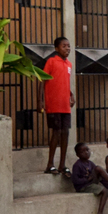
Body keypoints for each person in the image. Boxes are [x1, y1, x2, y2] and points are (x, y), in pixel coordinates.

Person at [43, 37, 74, 177]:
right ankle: (50, 164)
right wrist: (40, 101)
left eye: (68, 46)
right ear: (56, 48)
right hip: (54, 104)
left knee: (65, 132)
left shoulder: (69, 64)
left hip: (65, 106)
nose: (67, 48)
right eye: (64, 46)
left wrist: (71, 95)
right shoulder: (51, 61)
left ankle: (62, 164)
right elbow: (42, 80)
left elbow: (64, 82)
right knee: (56, 132)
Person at [71, 142, 108, 214]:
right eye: (82, 151)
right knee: (105, 191)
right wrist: (86, 179)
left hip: (90, 182)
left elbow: (97, 174)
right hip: (83, 186)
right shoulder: (77, 165)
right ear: (77, 154)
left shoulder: (90, 163)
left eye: (87, 150)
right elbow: (75, 180)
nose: (86, 152)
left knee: (98, 169)